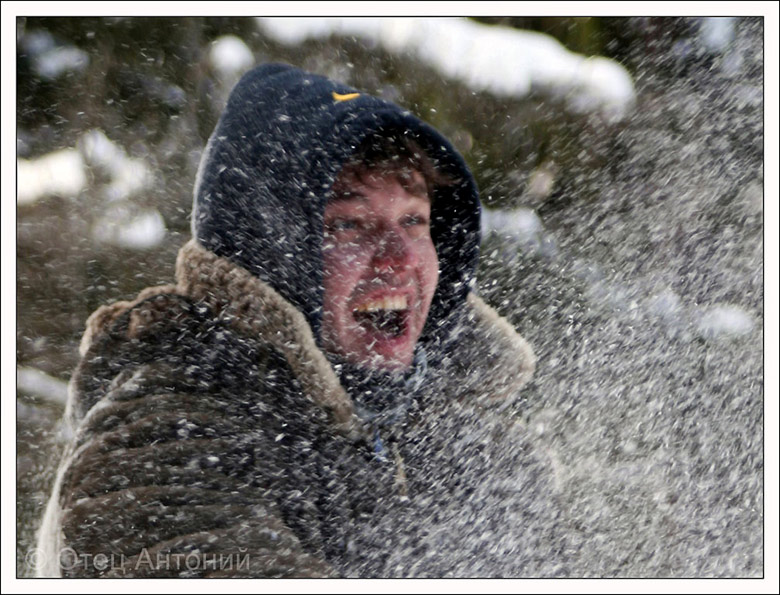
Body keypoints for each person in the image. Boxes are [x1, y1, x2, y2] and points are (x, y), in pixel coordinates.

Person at [37, 64, 562, 578]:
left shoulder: (479, 448)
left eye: (413, 220)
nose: (398, 258)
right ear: (270, 249)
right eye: (351, 225)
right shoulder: (163, 435)